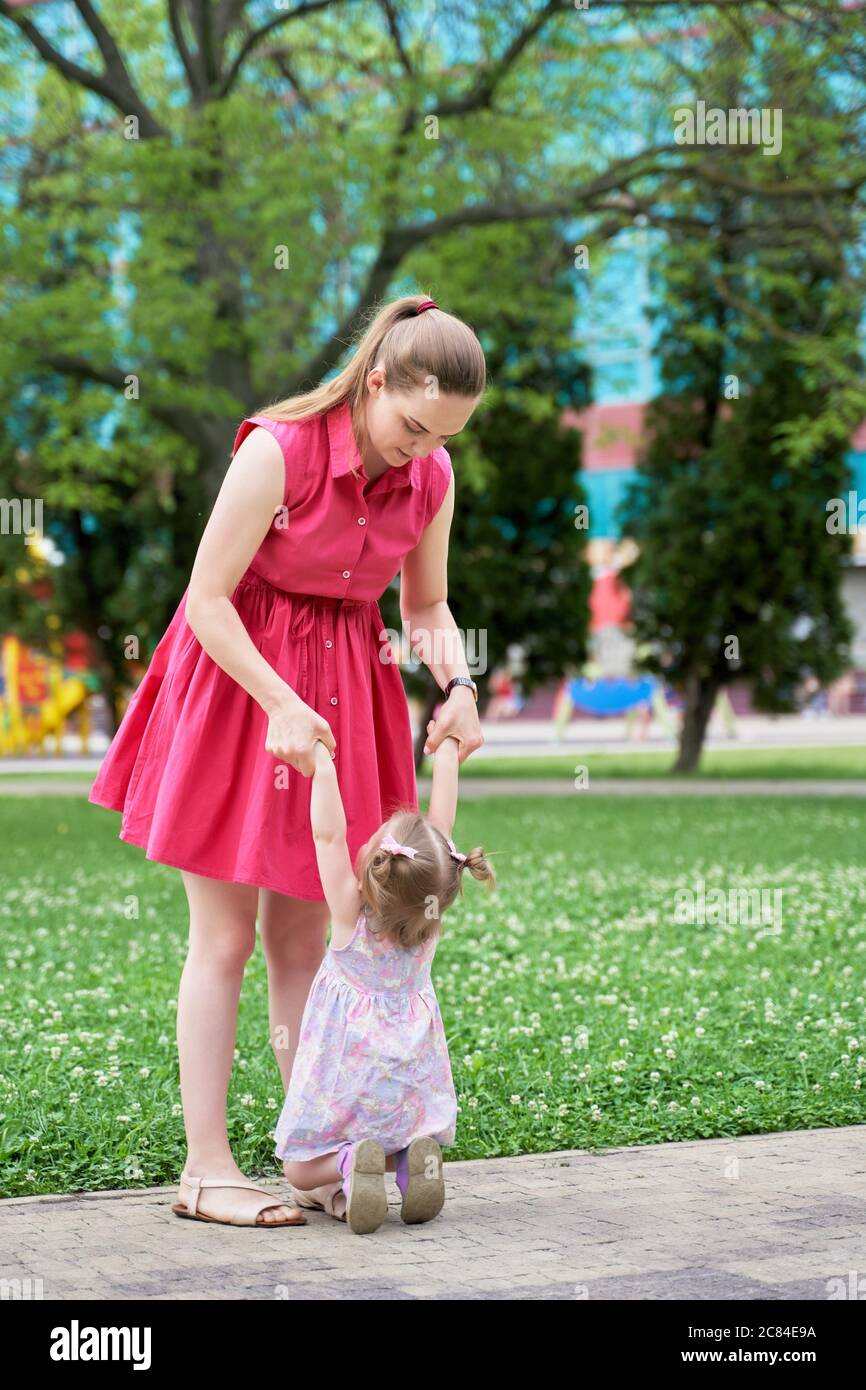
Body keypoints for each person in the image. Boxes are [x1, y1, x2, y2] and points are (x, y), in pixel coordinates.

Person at [88, 293, 486, 1227]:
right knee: (224, 937)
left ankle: (315, 1152)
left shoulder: (431, 477)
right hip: (241, 685)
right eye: (411, 426)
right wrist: (279, 702)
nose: (421, 450)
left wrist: (461, 686)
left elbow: (423, 610)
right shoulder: (277, 449)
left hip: (350, 686)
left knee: (311, 941)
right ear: (375, 380)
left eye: (443, 438)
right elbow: (207, 597)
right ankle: (205, 1168)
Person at [276, 734, 495, 1234]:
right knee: (400, 1131)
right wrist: (446, 752)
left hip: (345, 1078)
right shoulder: (429, 924)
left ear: (376, 862)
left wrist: (321, 765)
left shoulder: (349, 915)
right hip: (408, 1086)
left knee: (298, 1168)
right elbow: (440, 830)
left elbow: (327, 837)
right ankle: (409, 1159)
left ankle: (353, 1162)